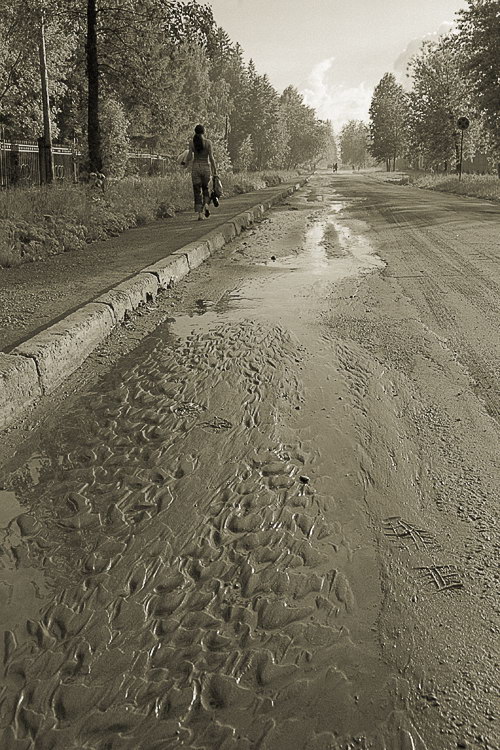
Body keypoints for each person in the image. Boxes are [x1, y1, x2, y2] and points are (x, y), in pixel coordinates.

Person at [185, 124, 217, 221]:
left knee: (197, 191)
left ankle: (200, 214)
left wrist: (185, 162)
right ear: (204, 132)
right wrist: (215, 170)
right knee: (206, 189)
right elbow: (211, 158)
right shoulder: (208, 143)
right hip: (206, 168)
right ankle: (206, 205)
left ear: (195, 132)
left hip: (196, 168)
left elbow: (190, 157)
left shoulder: (191, 143)